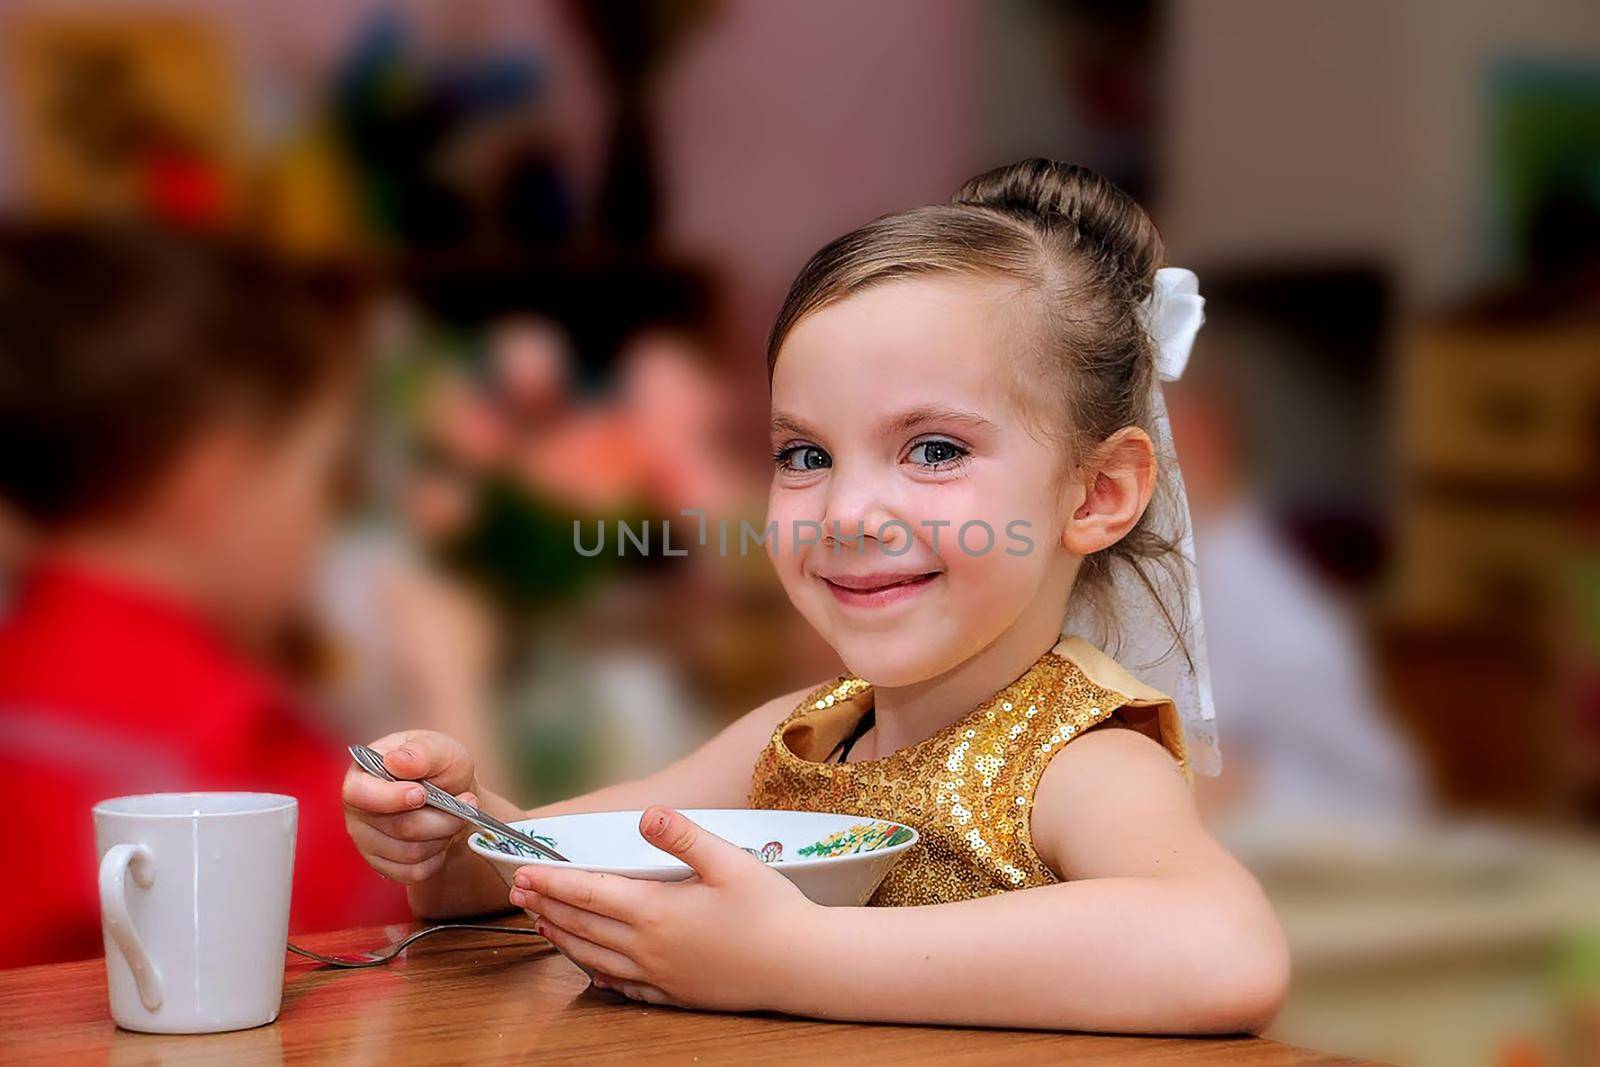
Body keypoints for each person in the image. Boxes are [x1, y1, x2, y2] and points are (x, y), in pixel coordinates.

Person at [341, 160, 1290, 1032]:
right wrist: (455, 837)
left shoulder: (1079, 762)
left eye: (934, 449)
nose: (847, 510)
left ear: (1097, 493)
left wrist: (792, 958)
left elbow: (1225, 949)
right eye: (805, 455)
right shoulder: (801, 735)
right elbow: (562, 860)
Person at [0, 225, 407, 968]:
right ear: (212, 483)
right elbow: (426, 990)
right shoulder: (248, 759)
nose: (322, 523)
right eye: (319, 480)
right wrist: (449, 698)